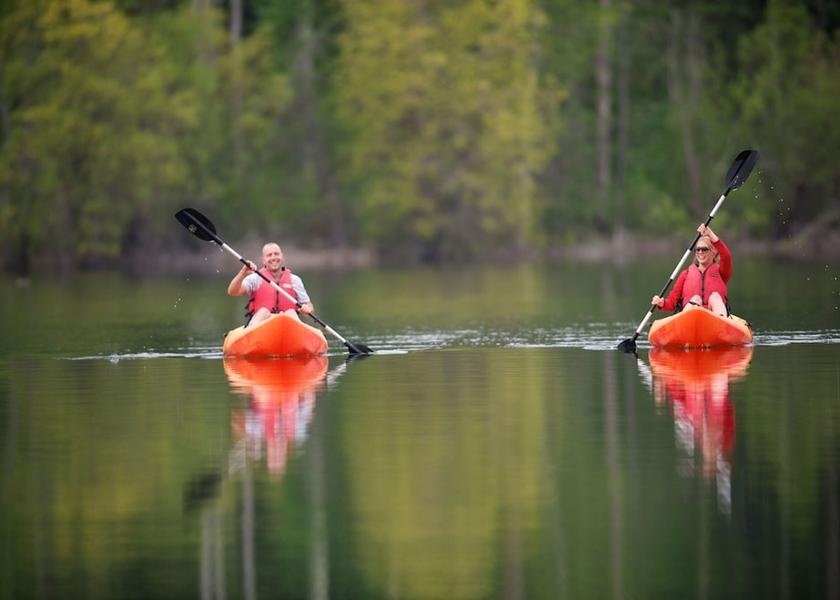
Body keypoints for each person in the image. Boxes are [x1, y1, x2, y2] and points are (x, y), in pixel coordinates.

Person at [652, 224, 731, 317]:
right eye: (697, 249)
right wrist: (662, 303)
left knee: (715, 297)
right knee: (696, 299)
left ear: (714, 252)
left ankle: (721, 322)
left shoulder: (722, 272)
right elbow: (671, 303)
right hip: (691, 319)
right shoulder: (686, 274)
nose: (700, 252)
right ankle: (684, 322)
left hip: (714, 318)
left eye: (704, 249)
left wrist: (710, 234)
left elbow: (726, 255)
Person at [227, 243, 314, 326]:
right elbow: (233, 292)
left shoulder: (295, 280)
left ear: (282, 256)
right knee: (264, 311)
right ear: (263, 260)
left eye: (276, 254)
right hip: (262, 325)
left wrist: (307, 309)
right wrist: (243, 272)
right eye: (269, 255)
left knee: (290, 312)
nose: (273, 257)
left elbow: (308, 307)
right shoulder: (255, 278)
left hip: (287, 327)